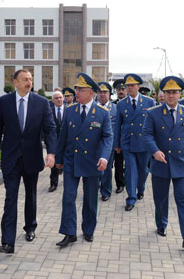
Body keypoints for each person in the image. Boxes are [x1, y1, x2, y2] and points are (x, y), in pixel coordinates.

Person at [0, 69, 57, 254]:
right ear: (15, 82)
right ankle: (8, 241)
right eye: (25, 79)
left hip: (32, 157)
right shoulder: (3, 102)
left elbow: (50, 129)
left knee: (31, 194)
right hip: (11, 158)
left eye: (30, 79)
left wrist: (51, 153)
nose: (29, 82)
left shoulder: (41, 103)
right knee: (10, 197)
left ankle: (30, 227)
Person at [142, 76, 184, 250]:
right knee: (160, 198)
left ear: (179, 94)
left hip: (183, 163)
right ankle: (161, 223)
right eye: (167, 92)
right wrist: (154, 151)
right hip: (161, 163)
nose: (171, 95)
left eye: (174, 92)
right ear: (163, 94)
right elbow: (146, 135)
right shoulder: (153, 113)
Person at [55, 73, 113, 247]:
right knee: (68, 197)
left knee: (90, 199)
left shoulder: (102, 113)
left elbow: (108, 137)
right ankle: (69, 232)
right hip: (72, 160)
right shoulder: (70, 110)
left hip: (92, 161)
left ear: (91, 93)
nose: (77, 92)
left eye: (81, 89)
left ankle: (88, 230)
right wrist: (58, 159)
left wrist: (104, 157)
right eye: (76, 89)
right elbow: (63, 136)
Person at [114, 73, 155, 211]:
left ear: (139, 86)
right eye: (128, 86)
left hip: (143, 143)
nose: (129, 88)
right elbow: (117, 125)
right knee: (131, 171)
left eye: (132, 85)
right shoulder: (121, 104)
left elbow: (153, 125)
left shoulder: (149, 102)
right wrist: (117, 144)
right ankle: (131, 198)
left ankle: (141, 188)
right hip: (128, 143)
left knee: (143, 170)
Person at [96, 82, 117, 201]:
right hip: (93, 144)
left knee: (107, 169)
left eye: (105, 92)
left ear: (109, 94)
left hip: (108, 145)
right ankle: (94, 188)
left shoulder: (115, 109)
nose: (102, 94)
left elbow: (118, 128)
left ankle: (105, 191)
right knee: (94, 168)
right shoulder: (93, 107)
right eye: (100, 92)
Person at [111, 79, 126, 193]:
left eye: (123, 89)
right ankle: (120, 184)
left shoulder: (131, 104)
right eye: (118, 89)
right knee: (119, 163)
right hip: (117, 139)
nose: (121, 91)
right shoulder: (114, 105)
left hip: (129, 138)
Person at [49, 90, 65, 192]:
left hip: (66, 142)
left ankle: (68, 183)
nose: (59, 100)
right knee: (54, 165)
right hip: (54, 142)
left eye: (60, 98)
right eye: (56, 98)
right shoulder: (49, 112)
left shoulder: (69, 111)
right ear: (52, 100)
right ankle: (53, 184)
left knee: (67, 163)